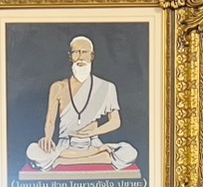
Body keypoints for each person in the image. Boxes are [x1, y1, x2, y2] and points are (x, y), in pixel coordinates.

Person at [25, 35, 138, 172]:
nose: (80, 57)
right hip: (65, 144)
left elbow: (115, 121)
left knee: (130, 152)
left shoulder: (107, 87)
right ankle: (98, 156)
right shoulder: (58, 87)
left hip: (93, 143)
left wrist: (93, 132)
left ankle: (64, 160)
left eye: (84, 52)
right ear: (70, 56)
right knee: (32, 151)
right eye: (76, 52)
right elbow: (50, 121)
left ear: (92, 56)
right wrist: (47, 138)